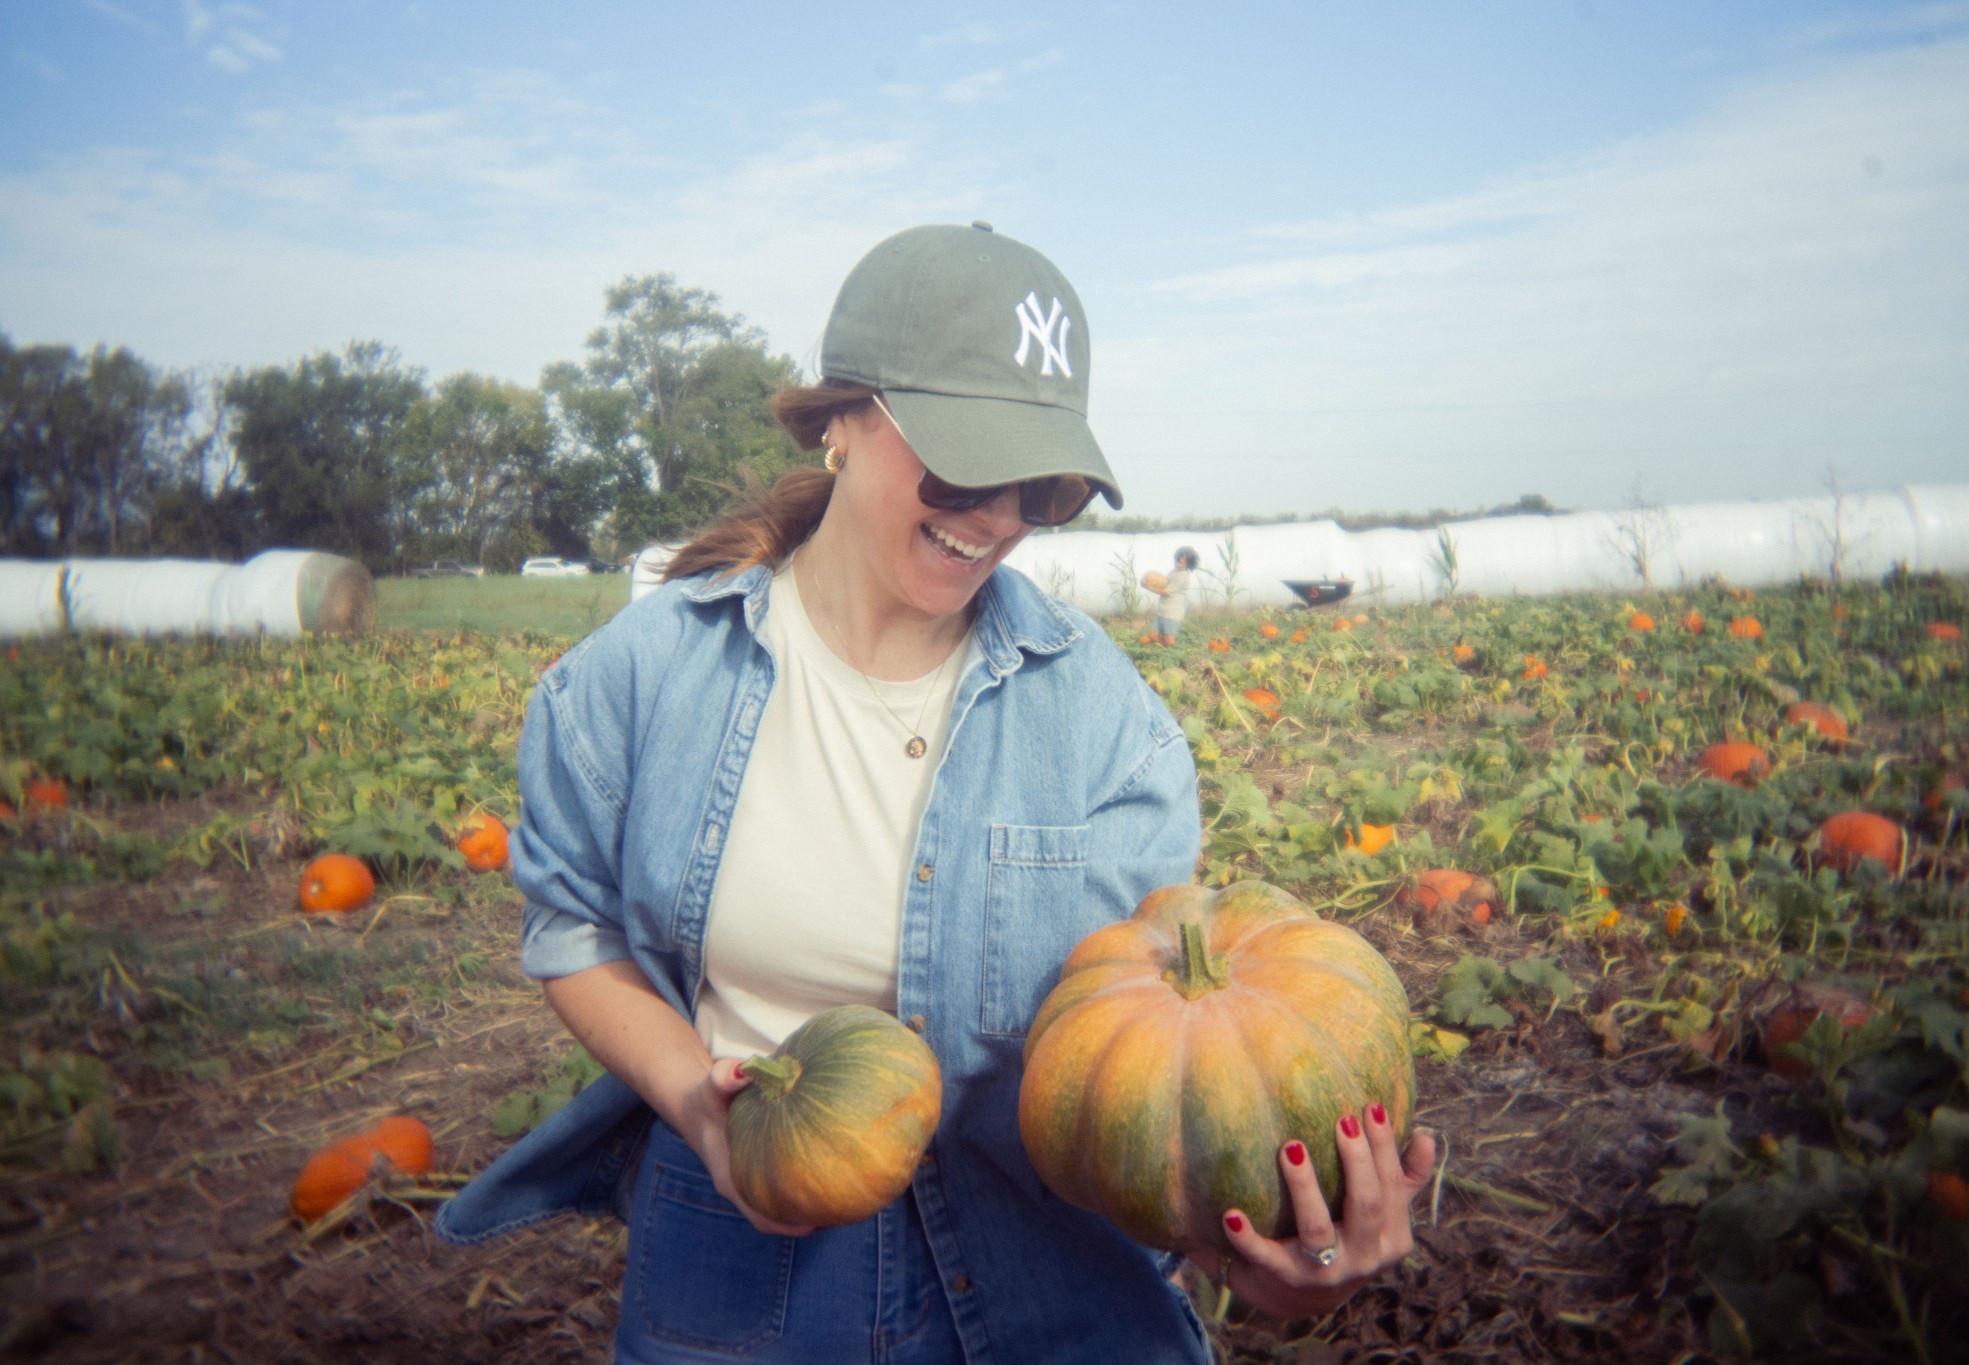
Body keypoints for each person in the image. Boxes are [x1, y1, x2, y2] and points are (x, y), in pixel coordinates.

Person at [436, 222, 1436, 1363]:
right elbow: (574, 925)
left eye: (1043, 487)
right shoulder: (640, 679)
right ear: (840, 424)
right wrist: (696, 1109)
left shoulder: (1106, 719)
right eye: (964, 466)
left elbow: (1159, 1054)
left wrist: (1268, 1251)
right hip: (751, 1262)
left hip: (1046, 1273)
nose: (1001, 516)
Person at [1147, 546, 1198, 645]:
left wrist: (1150, 588)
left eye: (1181, 563)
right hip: (1162, 611)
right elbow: (1164, 582)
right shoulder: (1174, 571)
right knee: (1153, 635)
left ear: (1188, 564)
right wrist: (1154, 579)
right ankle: (1165, 648)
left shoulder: (1182, 577)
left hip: (1172, 614)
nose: (1177, 564)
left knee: (1170, 641)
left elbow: (1167, 592)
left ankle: (1172, 653)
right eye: (1176, 561)